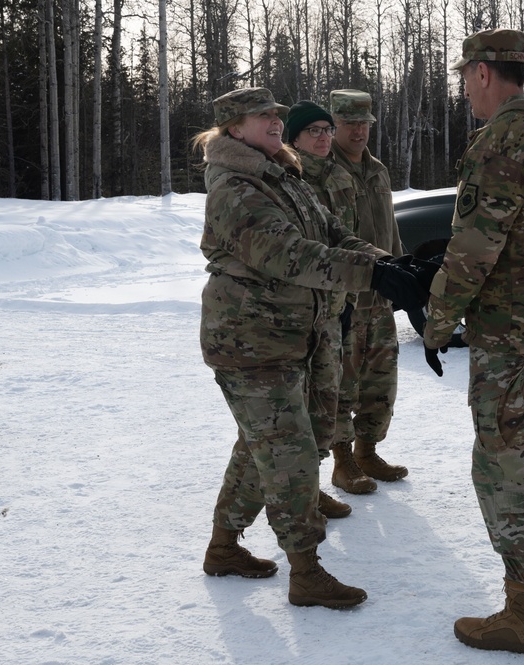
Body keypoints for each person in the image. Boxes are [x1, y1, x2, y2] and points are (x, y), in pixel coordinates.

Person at [194, 87, 426, 609]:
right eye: (263, 118)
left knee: (263, 447)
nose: (276, 123)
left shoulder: (280, 174)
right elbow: (288, 254)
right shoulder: (235, 185)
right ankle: (306, 571)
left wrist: (390, 265)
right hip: (251, 340)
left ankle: (224, 547)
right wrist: (372, 272)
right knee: (289, 455)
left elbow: (330, 233)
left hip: (296, 333)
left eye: (277, 116)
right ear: (234, 128)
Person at [422, 29, 524, 654]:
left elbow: (473, 250)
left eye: (467, 75)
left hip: (513, 336)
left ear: (486, 74)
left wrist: (437, 321)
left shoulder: (504, 142)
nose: (465, 87)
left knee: (503, 460)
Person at [329, 89, 408, 495]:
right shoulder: (324, 172)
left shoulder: (377, 170)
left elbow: (389, 228)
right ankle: (341, 459)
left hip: (379, 295)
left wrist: (401, 273)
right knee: (343, 380)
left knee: (381, 379)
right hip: (345, 298)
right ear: (334, 125)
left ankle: (367, 449)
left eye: (365, 124)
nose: (359, 132)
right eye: (349, 124)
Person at [284, 100, 359, 519]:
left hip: (336, 302)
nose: (324, 137)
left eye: (328, 130)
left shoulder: (339, 175)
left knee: (329, 400)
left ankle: (315, 486)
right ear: (294, 138)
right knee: (300, 408)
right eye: (313, 131)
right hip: (303, 309)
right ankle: (299, 496)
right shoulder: (290, 181)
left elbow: (347, 235)